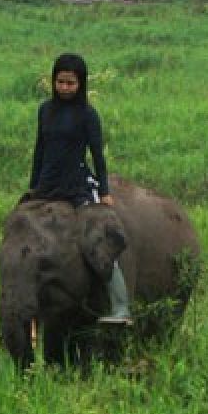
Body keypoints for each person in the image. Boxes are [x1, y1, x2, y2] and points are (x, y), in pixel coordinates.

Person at [29, 53, 131, 325]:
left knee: (98, 240)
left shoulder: (88, 115)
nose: (64, 88)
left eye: (70, 83)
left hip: (77, 187)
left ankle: (120, 306)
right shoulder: (44, 110)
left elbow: (97, 155)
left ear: (81, 84)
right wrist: (33, 186)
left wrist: (105, 191)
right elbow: (40, 150)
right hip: (48, 184)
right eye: (60, 82)